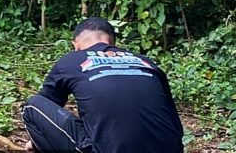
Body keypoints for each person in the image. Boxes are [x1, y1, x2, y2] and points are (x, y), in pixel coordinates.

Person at [22, 17, 184, 153]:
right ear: (113, 42)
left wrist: (36, 141)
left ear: (75, 45)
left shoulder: (72, 60)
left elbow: (47, 106)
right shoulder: (147, 63)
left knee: (32, 107)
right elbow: (174, 124)